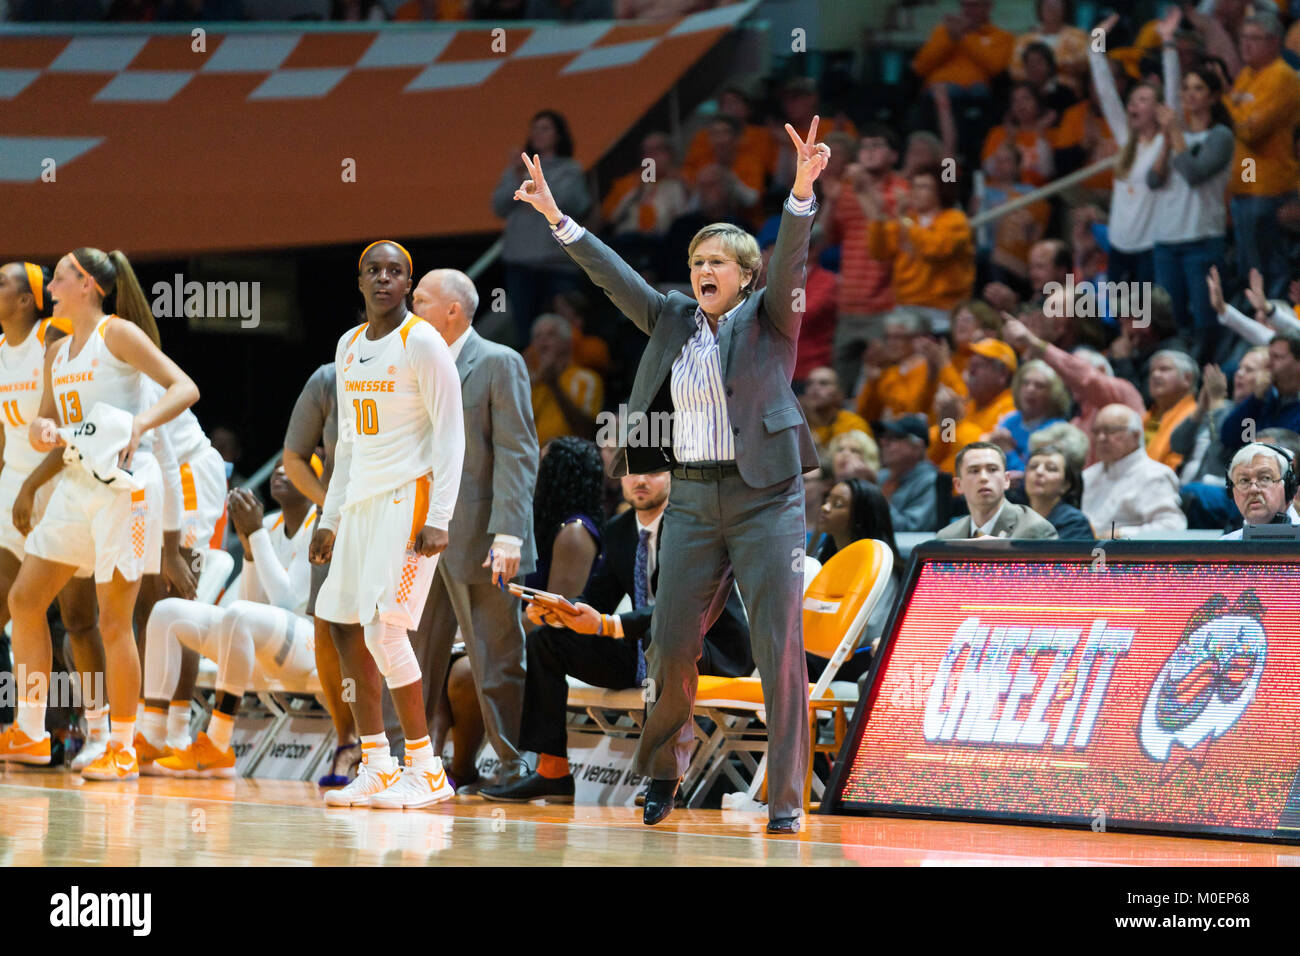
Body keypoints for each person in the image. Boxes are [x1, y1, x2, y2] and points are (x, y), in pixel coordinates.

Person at [509, 119, 828, 834]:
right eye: (695, 261)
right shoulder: (672, 318)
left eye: (718, 260)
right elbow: (612, 274)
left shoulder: (771, 317)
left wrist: (802, 192)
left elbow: (792, 265)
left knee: (778, 648)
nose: (703, 270)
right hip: (693, 494)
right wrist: (558, 219)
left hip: (765, 499)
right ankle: (662, 775)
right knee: (670, 641)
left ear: (744, 275)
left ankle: (785, 800)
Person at [0, 247, 199, 778]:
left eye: (60, 277)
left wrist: (141, 424)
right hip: (75, 481)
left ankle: (123, 745)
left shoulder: (117, 334)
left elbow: (185, 387)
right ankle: (31, 730)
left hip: (127, 489)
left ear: (86, 284)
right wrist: (43, 431)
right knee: (25, 598)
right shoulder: (56, 353)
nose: (52, 286)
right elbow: (46, 422)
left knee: (114, 621)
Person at [481, 471, 752, 803]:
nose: (639, 480)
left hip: (709, 648)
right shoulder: (619, 530)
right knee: (547, 641)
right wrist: (560, 611)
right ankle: (552, 772)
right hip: (645, 646)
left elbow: (681, 609)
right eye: (630, 472)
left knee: (663, 634)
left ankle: (665, 775)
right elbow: (597, 599)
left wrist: (610, 625)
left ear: (672, 475)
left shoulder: (695, 528)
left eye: (651, 471)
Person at [309, 240, 465, 810]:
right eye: (373, 270)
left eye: (394, 272)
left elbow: (452, 434)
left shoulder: (420, 340)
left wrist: (440, 517)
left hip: (409, 500)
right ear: (359, 281)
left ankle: (425, 768)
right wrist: (330, 516)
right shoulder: (348, 346)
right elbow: (346, 441)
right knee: (344, 625)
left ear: (408, 284)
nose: (383, 279)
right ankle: (376, 764)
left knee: (384, 630)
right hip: (358, 507)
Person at [408, 268, 539, 793]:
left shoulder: (497, 362)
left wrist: (508, 533)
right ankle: (408, 763)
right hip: (419, 537)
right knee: (411, 655)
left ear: (452, 311)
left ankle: (514, 765)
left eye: (419, 299)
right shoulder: (414, 366)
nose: (409, 306)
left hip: (482, 538)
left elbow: (518, 450)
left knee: (495, 659)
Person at [143, 465, 320, 777]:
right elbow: (254, 601)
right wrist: (251, 551)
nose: (279, 471)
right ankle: (159, 737)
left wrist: (255, 536)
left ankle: (219, 744)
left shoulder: (320, 523)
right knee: (167, 612)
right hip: (267, 640)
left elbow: (288, 601)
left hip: (309, 643)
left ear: (312, 481)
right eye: (277, 468)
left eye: (290, 468)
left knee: (239, 614)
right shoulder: (268, 524)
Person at [283, 361, 358, 786]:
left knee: (387, 631)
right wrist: (329, 506)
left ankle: (395, 746)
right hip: (336, 523)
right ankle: (347, 742)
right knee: (328, 629)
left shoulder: (415, 363)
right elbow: (293, 456)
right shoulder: (329, 378)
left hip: (397, 517)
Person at [1147, 20, 1234, 354]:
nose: (1189, 95)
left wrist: (1175, 135)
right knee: (1170, 317)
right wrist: (1169, 140)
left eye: (1198, 88)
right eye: (1186, 89)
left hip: (1202, 239)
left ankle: (1203, 372)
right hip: (1166, 240)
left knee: (1205, 319)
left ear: (1212, 97)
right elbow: (1154, 181)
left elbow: (1194, 173)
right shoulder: (1174, 135)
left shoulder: (1221, 137)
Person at [492, 110, 592, 345]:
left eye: (545, 128)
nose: (538, 133)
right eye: (535, 128)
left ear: (558, 135)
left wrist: (535, 180)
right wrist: (518, 175)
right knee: (525, 332)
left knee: (565, 331)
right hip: (521, 264)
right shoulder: (517, 170)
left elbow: (574, 203)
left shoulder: (570, 169)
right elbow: (498, 206)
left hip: (558, 264)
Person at [1089, 14, 1170, 287]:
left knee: (1147, 317)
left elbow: (1175, 103)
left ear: (1159, 109)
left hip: (1149, 246)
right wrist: (1096, 43)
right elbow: (1106, 92)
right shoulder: (1127, 140)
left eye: (1143, 100)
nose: (1133, 105)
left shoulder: (1166, 141)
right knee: (1121, 317)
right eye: (1133, 100)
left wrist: (1168, 47)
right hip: (1119, 244)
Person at [1224, 11, 1300, 299]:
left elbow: (1252, 131)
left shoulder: (1282, 77)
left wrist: (1227, 105)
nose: (1246, 45)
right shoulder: (1247, 74)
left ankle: (1272, 316)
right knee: (1249, 268)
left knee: (1268, 268)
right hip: (1246, 183)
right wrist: (1236, 114)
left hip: (1269, 189)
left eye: (1254, 39)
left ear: (1274, 42)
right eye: (1243, 37)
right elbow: (1240, 124)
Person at [829, 127, 911, 393]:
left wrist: (864, 189)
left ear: (894, 155)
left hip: (886, 303)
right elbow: (831, 236)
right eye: (864, 146)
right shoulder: (847, 189)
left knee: (883, 384)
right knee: (840, 386)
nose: (869, 151)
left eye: (878, 145)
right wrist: (831, 201)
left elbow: (891, 233)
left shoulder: (903, 191)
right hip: (849, 302)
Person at [862, 165, 975, 334]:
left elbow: (935, 249)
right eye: (913, 186)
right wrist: (877, 216)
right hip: (905, 308)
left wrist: (903, 220)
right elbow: (879, 252)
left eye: (924, 187)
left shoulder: (955, 220)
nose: (915, 192)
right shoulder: (907, 220)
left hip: (942, 312)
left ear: (940, 190)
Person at [813, 477, 901, 674]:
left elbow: (865, 634)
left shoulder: (881, 567)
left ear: (861, 516)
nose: (825, 508)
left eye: (837, 505)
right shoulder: (822, 557)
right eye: (826, 500)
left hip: (854, 658)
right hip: (818, 651)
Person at [1177, 348, 1267, 529]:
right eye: (1239, 369)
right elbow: (1177, 444)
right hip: (1187, 487)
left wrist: (1216, 404)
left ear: (1265, 378)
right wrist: (1201, 409)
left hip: (1217, 491)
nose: (1239, 374)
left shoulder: (1252, 417)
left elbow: (1220, 452)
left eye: (1249, 370)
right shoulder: (1220, 408)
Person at [1082, 403, 1187, 539]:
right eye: (1096, 431)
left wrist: (1122, 534)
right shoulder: (1088, 475)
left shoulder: (1155, 475)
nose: (1101, 438)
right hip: (1083, 554)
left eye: (1110, 431)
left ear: (1136, 435)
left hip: (1124, 556)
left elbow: (1173, 526)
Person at [929, 337, 1017, 473]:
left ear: (1003, 375)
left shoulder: (1011, 409)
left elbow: (983, 452)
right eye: (970, 365)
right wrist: (947, 423)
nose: (970, 371)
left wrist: (956, 422)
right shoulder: (968, 405)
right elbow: (936, 456)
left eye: (978, 366)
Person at [938, 441, 1057, 539]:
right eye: (974, 471)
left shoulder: (1035, 531)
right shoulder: (947, 537)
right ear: (958, 485)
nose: (983, 478)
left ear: (1006, 480)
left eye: (992, 469)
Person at [1219, 332, 1300, 455]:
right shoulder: (1266, 397)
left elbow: (1287, 454)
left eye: (1277, 357)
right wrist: (1255, 399)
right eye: (1269, 356)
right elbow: (1230, 438)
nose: (1268, 364)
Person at [527, 313, 602, 446]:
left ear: (568, 342)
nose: (542, 342)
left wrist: (554, 386)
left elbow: (587, 432)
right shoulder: (531, 386)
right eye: (537, 337)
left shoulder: (586, 379)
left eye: (550, 335)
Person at [986, 358, 1070, 472]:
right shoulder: (1010, 420)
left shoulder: (1057, 429)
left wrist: (1007, 451)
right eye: (1025, 383)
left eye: (1039, 386)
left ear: (1053, 394)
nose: (1030, 389)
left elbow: (1038, 476)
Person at [875, 414, 939, 532]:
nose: (884, 443)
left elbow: (911, 530)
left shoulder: (931, 481)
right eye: (884, 437)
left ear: (917, 446)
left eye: (893, 438)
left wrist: (878, 500)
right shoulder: (882, 476)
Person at [1219, 442, 1297, 539]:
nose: (1253, 489)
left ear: (1288, 487)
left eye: (1265, 478)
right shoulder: (1225, 546)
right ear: (1232, 491)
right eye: (1244, 480)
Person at [1023, 443, 1094, 538]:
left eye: (1051, 469)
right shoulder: (1015, 518)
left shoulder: (1075, 523)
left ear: (1065, 485)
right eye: (1033, 466)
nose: (1039, 471)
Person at [1143, 349, 1199, 470]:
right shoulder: (1146, 416)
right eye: (1152, 371)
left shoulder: (1195, 417)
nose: (1155, 375)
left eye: (1164, 369)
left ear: (1187, 379)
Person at [802, 366, 870, 453]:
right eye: (809, 384)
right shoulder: (798, 423)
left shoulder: (853, 425)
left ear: (839, 393)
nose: (814, 388)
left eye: (823, 383)